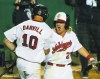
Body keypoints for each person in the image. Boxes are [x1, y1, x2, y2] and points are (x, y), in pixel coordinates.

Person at [3, 4, 53, 79]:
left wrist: (16, 50)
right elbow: (46, 51)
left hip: (20, 63)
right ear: (45, 15)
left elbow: (6, 40)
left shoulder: (23, 24)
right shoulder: (47, 29)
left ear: (33, 13)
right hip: (33, 65)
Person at [43, 12, 96, 79]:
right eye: (57, 22)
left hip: (67, 70)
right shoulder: (49, 34)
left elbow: (79, 48)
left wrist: (91, 58)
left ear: (66, 24)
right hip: (52, 69)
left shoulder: (71, 35)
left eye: (61, 22)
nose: (58, 24)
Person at [76, 0, 100, 78]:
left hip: (98, 20)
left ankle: (99, 67)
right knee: (84, 45)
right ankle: (85, 70)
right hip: (83, 20)